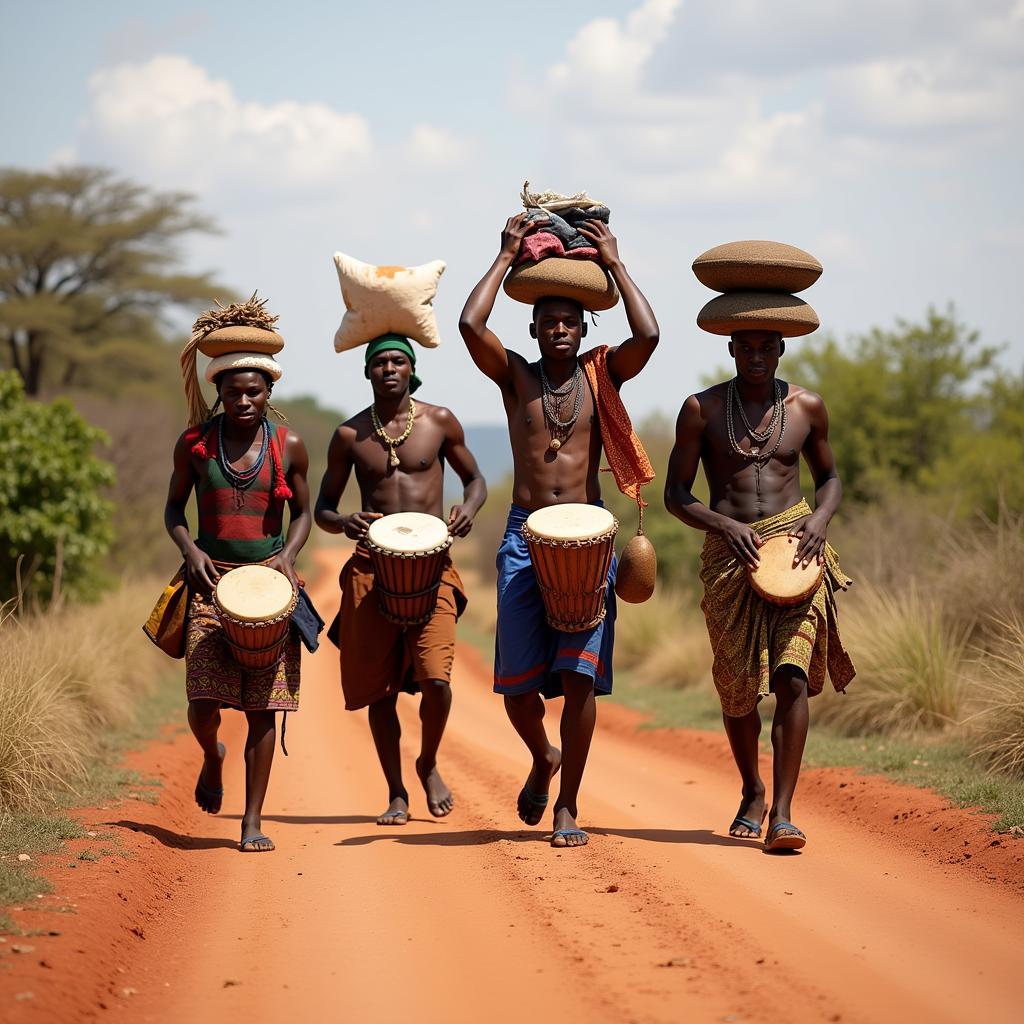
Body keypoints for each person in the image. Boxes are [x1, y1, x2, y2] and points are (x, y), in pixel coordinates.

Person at [459, 213, 659, 848]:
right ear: (536, 328)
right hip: (524, 537)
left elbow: (649, 334)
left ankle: (568, 803)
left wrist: (618, 264)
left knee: (578, 679)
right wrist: (504, 256)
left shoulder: (603, 374)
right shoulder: (515, 376)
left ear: (583, 326)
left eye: (571, 321)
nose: (561, 331)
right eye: (550, 322)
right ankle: (544, 756)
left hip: (590, 540)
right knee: (517, 688)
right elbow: (470, 324)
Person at [664, 329, 855, 852]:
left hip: (797, 548)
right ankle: (752, 789)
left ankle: (784, 815)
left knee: (792, 676)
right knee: (737, 687)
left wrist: (820, 518)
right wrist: (722, 525)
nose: (755, 357)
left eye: (765, 347)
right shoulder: (700, 409)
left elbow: (831, 477)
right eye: (744, 347)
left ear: (781, 350)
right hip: (730, 555)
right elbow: (675, 494)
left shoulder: (806, 406)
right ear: (729, 350)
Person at [315, 335, 487, 825]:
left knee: (437, 681)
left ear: (412, 370)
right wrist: (342, 520)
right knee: (379, 691)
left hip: (433, 569)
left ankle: (427, 762)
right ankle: (396, 792)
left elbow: (475, 480)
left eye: (398, 361)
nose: (389, 369)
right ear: (367, 372)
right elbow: (323, 508)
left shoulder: (439, 421)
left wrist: (468, 508)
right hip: (371, 570)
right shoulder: (349, 436)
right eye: (380, 363)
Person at [165, 321, 311, 854]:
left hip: (269, 587)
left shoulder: (288, 444)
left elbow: (303, 514)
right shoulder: (196, 445)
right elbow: (173, 510)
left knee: (263, 709)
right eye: (233, 392)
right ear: (218, 394)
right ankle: (211, 755)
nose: (244, 400)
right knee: (203, 702)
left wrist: (286, 558)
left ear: (269, 392)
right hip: (209, 583)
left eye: (254, 391)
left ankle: (252, 820)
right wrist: (192, 551)